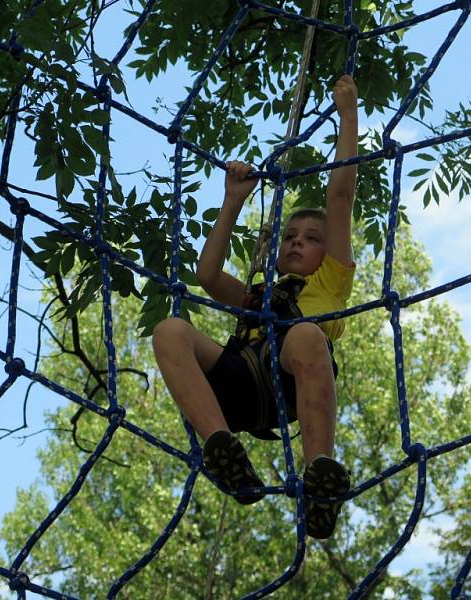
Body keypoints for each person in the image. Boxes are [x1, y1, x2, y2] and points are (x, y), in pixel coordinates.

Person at [152, 75, 358, 540]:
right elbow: (206, 277)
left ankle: (318, 476)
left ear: (331, 252)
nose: (297, 243)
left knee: (306, 333)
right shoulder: (259, 298)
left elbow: (339, 196)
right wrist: (232, 201)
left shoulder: (332, 279)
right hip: (241, 385)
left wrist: (348, 117)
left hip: (288, 380)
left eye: (311, 239)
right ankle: (221, 447)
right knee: (169, 330)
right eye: (290, 237)